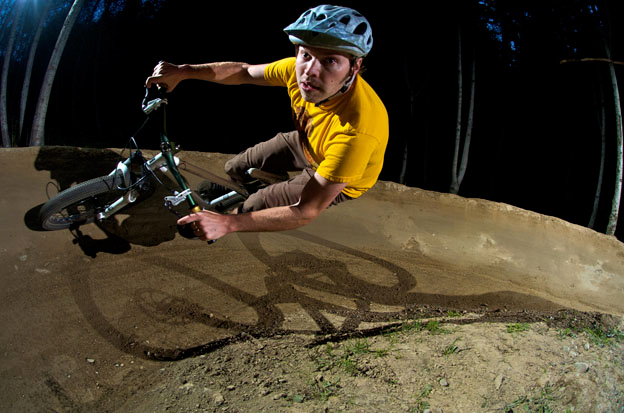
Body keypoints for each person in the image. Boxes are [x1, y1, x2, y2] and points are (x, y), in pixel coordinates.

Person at [145, 5, 389, 242]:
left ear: (355, 67)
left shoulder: (357, 130)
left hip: (338, 169)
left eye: (330, 61)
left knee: (252, 207)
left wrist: (228, 224)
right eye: (306, 55)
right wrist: (183, 71)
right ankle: (261, 195)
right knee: (235, 168)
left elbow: (306, 211)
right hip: (308, 140)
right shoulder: (296, 71)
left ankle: (250, 207)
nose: (309, 72)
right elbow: (244, 72)